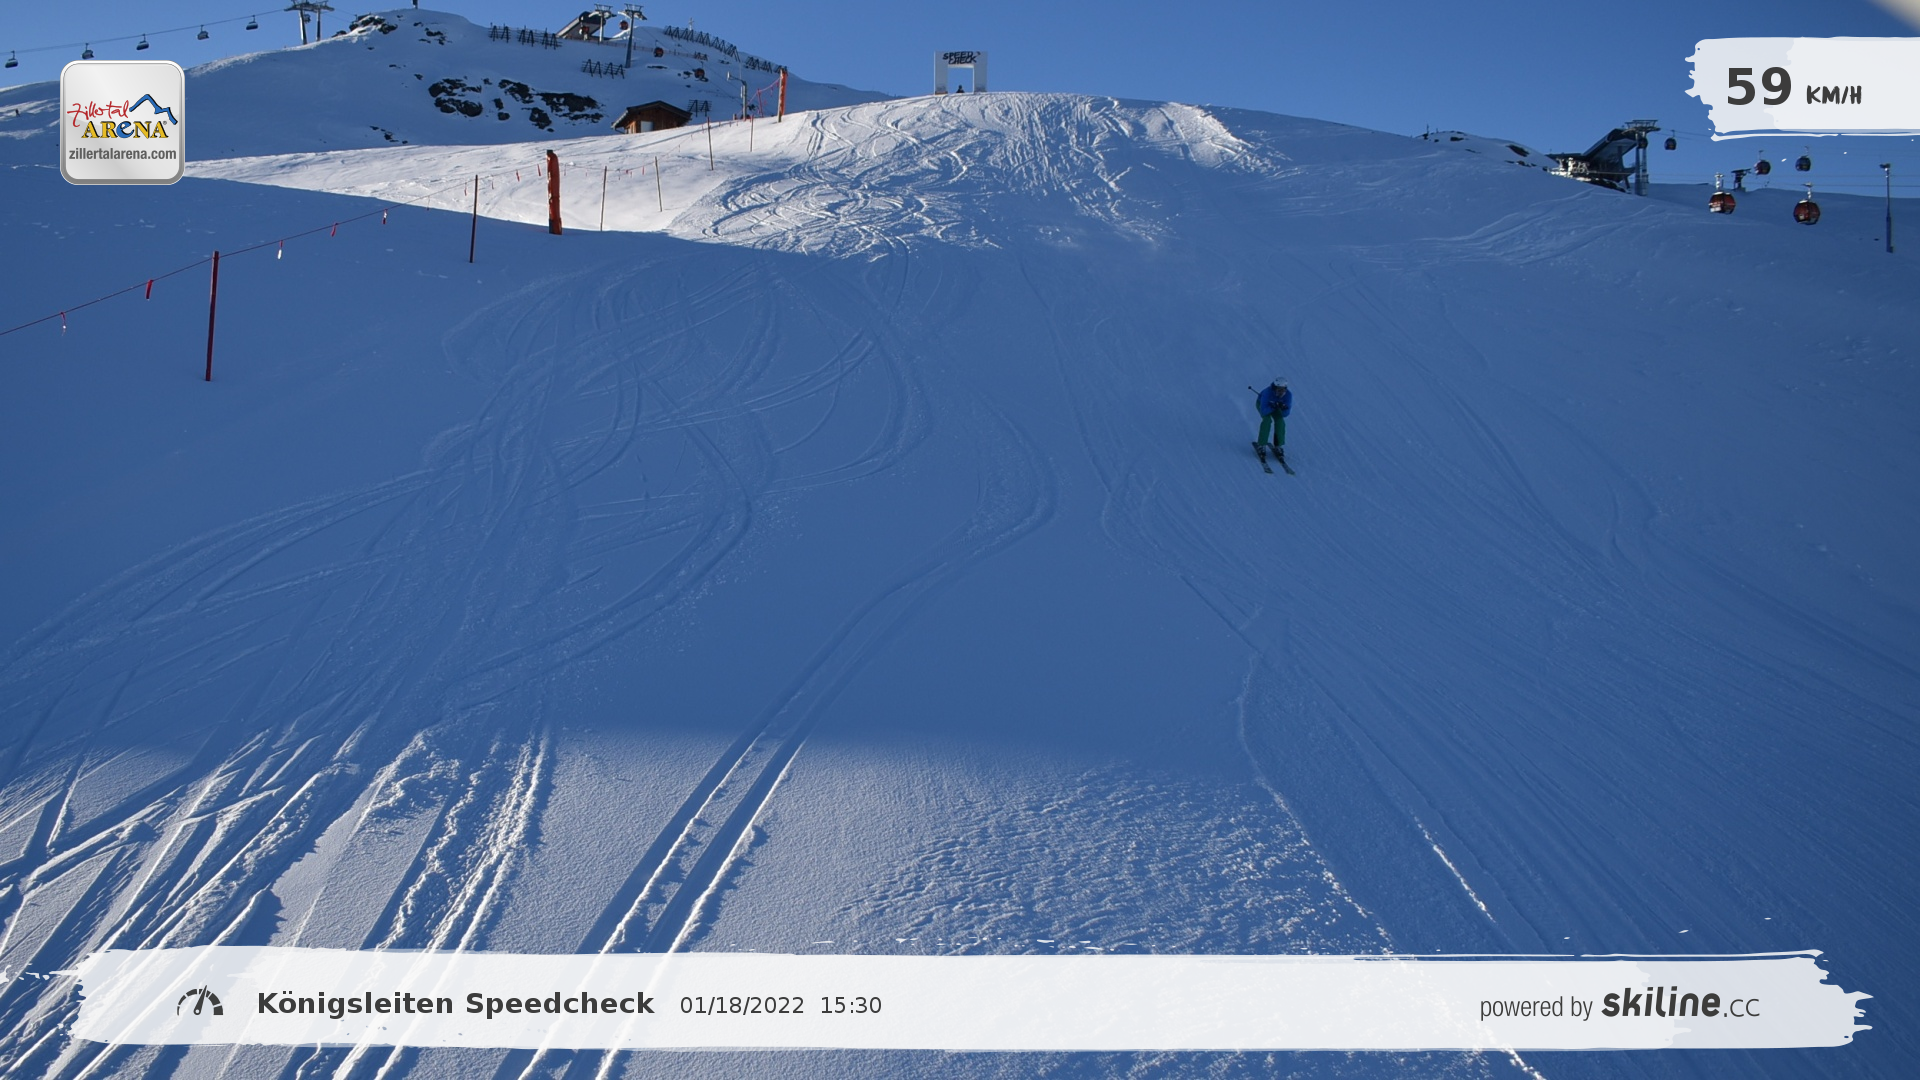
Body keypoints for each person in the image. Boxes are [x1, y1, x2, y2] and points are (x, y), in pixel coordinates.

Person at [1254, 378, 1291, 461]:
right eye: (1279, 390)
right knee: (1267, 421)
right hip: (1263, 405)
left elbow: (1285, 414)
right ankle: (1261, 444)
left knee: (1280, 421)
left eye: (1283, 390)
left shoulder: (1288, 395)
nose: (1281, 393)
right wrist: (1273, 406)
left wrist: (1283, 408)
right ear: (1274, 388)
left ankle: (1278, 445)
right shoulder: (1267, 393)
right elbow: (1263, 411)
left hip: (1276, 407)